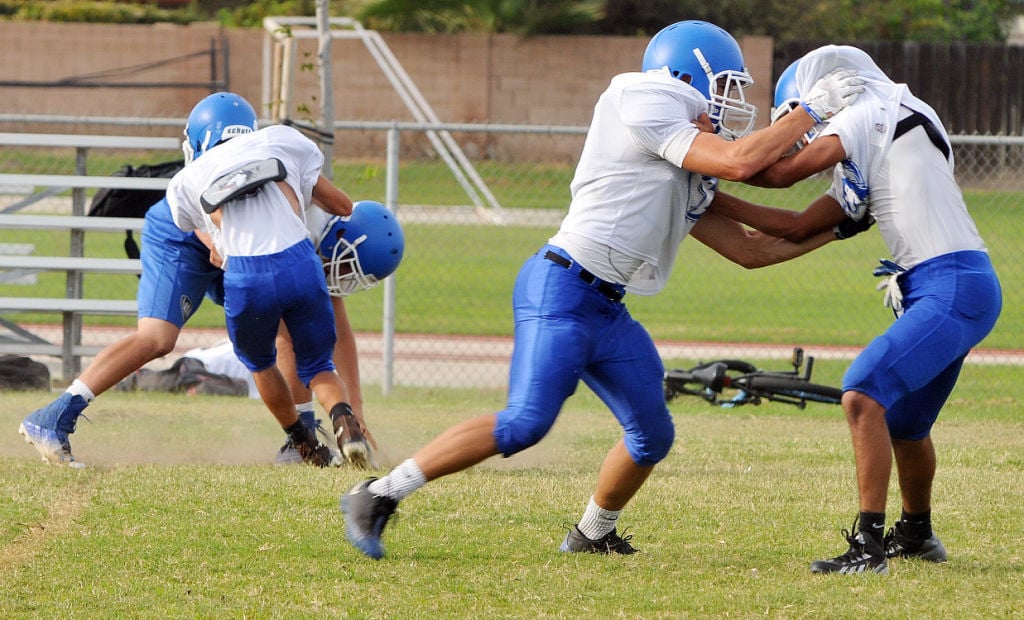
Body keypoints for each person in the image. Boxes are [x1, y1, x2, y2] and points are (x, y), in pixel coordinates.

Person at [339, 19, 865, 560]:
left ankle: (591, 533)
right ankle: (377, 494)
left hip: (605, 307)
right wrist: (812, 112)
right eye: (727, 83)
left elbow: (751, 250)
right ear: (690, 73)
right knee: (525, 424)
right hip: (562, 288)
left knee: (652, 435)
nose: (732, 100)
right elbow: (741, 161)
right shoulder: (641, 94)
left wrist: (842, 226)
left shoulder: (683, 156)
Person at [715, 46, 1002, 575]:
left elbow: (775, 174)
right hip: (950, 285)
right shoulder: (892, 122)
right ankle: (916, 534)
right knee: (908, 424)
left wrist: (705, 169)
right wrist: (713, 202)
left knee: (863, 390)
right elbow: (797, 226)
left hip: (952, 283)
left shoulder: (870, 111)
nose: (798, 136)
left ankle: (868, 546)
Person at [18, 93, 377, 469]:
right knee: (157, 339)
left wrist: (359, 411)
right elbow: (215, 248)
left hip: (241, 241)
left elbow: (337, 319)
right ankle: (56, 415)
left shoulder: (271, 163)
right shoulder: (216, 173)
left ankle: (300, 440)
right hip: (185, 233)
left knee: (287, 325)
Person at [164, 92, 375, 470]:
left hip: (247, 274)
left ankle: (302, 443)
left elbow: (209, 242)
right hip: (299, 262)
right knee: (318, 366)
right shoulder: (280, 140)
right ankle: (345, 422)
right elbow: (342, 206)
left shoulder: (187, 178)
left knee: (261, 363)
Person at [275, 199, 405, 465]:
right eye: (347, 265)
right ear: (340, 236)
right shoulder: (298, 229)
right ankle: (300, 436)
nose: (344, 275)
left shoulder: (324, 237)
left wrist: (355, 410)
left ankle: (303, 433)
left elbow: (338, 331)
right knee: (289, 329)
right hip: (211, 247)